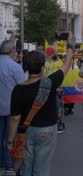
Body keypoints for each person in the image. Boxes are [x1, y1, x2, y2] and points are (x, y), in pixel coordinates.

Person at [8, 33, 74, 176]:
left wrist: (10, 139)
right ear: (43, 67)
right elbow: (67, 63)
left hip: (26, 131)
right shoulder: (50, 82)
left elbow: (14, 118)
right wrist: (69, 44)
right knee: (42, 165)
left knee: (26, 163)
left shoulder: (18, 90)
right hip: (47, 130)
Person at [0, 37, 26, 175]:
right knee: (10, 138)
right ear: (11, 51)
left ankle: (1, 164)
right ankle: (9, 166)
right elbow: (23, 87)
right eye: (15, 50)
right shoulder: (15, 66)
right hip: (11, 108)